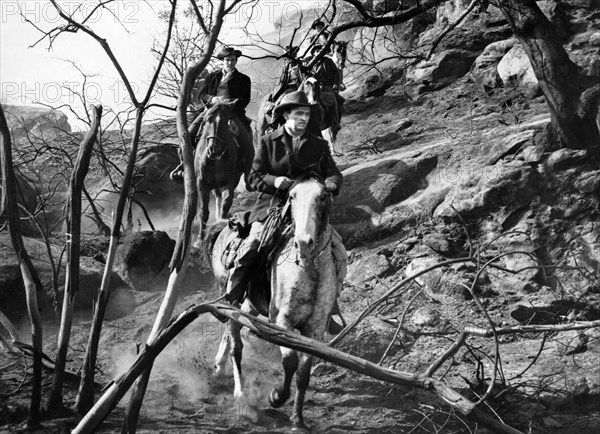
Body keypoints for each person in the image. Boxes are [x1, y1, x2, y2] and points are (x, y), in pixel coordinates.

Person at [224, 90, 346, 331]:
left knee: (339, 253)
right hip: (272, 208)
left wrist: (330, 184)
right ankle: (234, 297)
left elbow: (332, 172)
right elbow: (253, 177)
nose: (304, 118)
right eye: (298, 114)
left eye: (307, 114)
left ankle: (328, 305)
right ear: (286, 116)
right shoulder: (268, 142)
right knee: (252, 247)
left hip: (308, 209)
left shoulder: (319, 144)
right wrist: (274, 181)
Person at [171, 47, 254, 189]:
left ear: (236, 61)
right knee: (188, 135)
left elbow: (245, 99)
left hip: (232, 113)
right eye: (227, 60)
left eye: (232, 60)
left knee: (245, 141)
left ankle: (250, 175)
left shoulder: (244, 79)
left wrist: (230, 103)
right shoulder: (212, 77)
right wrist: (213, 99)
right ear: (223, 61)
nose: (230, 63)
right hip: (210, 112)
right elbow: (202, 94)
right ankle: (183, 167)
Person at [306, 44, 341, 133]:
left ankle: (335, 122)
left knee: (333, 100)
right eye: (317, 51)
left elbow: (336, 73)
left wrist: (335, 84)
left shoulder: (328, 61)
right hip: (316, 87)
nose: (318, 53)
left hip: (328, 86)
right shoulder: (311, 65)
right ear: (313, 53)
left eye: (320, 51)